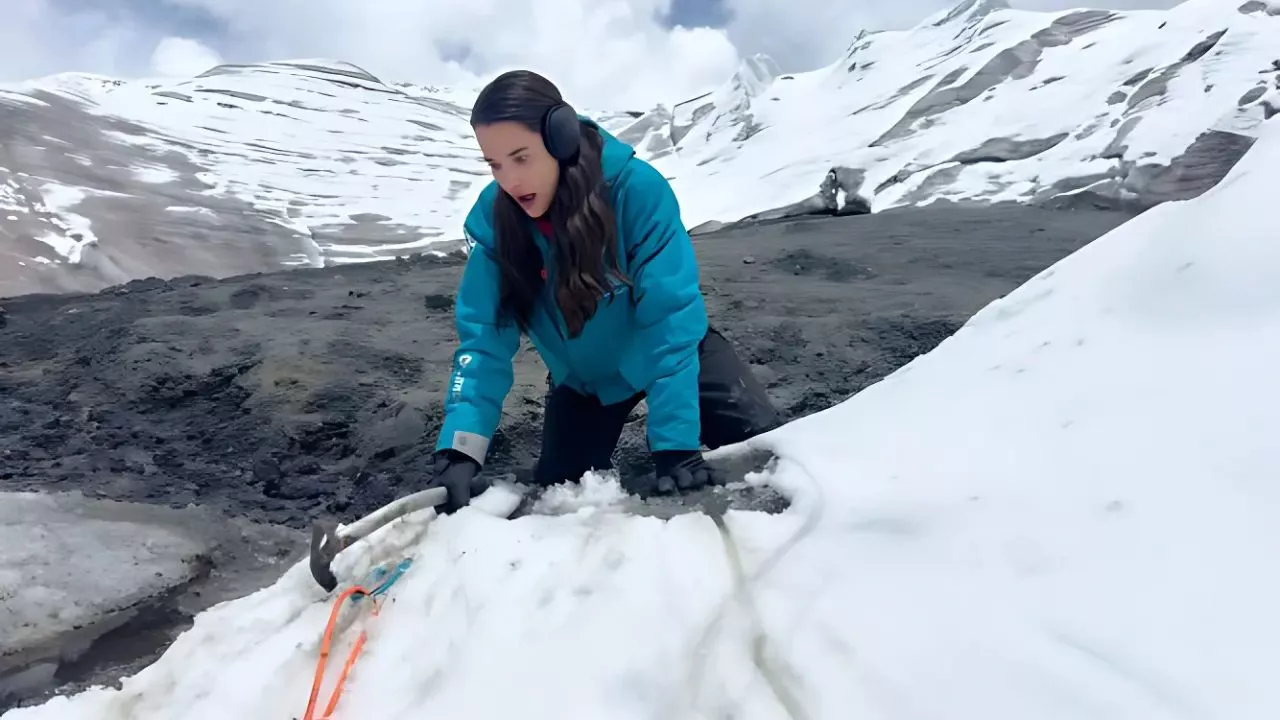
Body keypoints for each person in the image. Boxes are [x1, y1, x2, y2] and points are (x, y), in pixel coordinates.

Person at [421, 69, 781, 513]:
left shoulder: (638, 193)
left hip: (668, 351)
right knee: (559, 495)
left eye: (521, 158)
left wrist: (674, 445)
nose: (510, 182)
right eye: (495, 165)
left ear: (560, 138)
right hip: (584, 383)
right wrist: (460, 451)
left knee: (769, 449)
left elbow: (670, 317)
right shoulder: (496, 226)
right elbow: (483, 342)